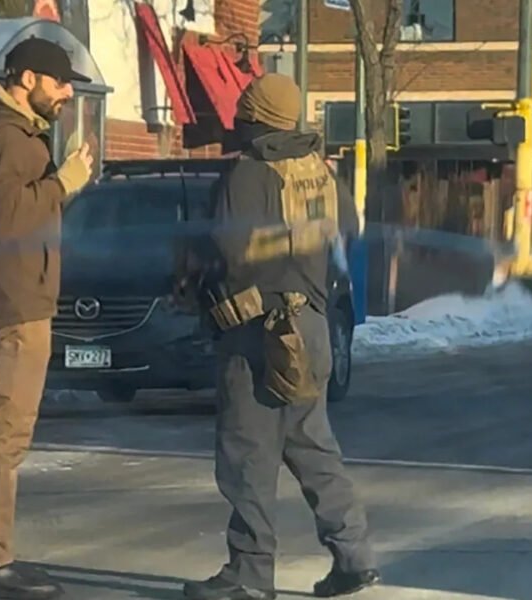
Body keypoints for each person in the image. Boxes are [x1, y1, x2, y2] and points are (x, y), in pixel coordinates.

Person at [178, 74, 380, 600]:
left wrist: (195, 258)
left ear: (254, 117)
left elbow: (232, 250)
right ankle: (354, 556)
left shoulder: (249, 172)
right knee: (314, 449)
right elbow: (349, 229)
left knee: (247, 456)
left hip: (258, 334)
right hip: (311, 326)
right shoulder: (318, 171)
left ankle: (249, 576)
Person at [0, 37, 93, 600]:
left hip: (16, 298)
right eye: (60, 82)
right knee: (6, 435)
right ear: (28, 78)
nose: (66, 94)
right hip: (14, 305)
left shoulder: (13, 134)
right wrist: (63, 183)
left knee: (4, 433)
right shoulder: (8, 139)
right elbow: (6, 218)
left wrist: (58, 186)